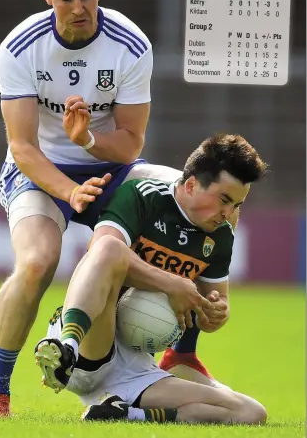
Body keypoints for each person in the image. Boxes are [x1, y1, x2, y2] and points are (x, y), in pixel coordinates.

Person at [0, 0, 182, 418]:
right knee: (36, 263)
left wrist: (88, 141)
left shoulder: (130, 45)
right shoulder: (21, 47)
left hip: (110, 168)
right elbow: (22, 147)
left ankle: (177, 359)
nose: (78, 8)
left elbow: (131, 141)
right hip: (41, 171)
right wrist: (68, 189)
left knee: (171, 241)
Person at [34, 133, 268, 424]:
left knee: (251, 412)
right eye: (224, 199)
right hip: (93, 343)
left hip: (137, 369)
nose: (228, 213)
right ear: (192, 183)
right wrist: (171, 283)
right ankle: (65, 349)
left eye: (236, 204)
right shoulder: (142, 195)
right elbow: (102, 254)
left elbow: (211, 311)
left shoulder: (220, 238)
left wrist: (216, 314)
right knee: (109, 247)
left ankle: (124, 413)